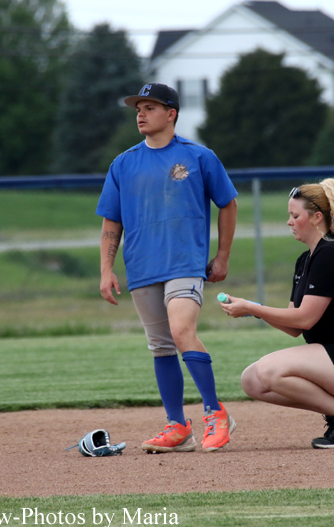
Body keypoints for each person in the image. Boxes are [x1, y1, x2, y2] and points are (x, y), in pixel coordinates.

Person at [96, 83, 239, 453]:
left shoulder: (198, 156)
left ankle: (215, 412)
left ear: (171, 113)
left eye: (150, 107)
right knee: (160, 346)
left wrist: (222, 255)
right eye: (138, 108)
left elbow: (228, 202)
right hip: (142, 267)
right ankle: (178, 426)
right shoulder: (123, 163)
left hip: (184, 263)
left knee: (180, 331)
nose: (140, 114)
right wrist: (106, 269)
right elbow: (111, 222)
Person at [219, 179, 334, 449]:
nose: (289, 221)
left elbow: (304, 319)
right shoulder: (306, 260)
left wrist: (251, 307)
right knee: (252, 381)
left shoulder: (333, 252)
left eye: (295, 215)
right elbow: (293, 327)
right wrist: (250, 310)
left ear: (316, 217)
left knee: (267, 371)